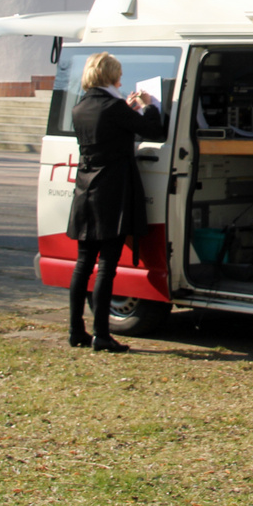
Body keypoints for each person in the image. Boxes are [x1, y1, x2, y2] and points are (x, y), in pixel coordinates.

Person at [67, 52, 166, 353]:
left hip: (86, 188)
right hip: (112, 190)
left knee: (83, 264)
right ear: (112, 76)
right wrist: (149, 107)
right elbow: (152, 130)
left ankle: (75, 330)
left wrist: (128, 109)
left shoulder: (81, 106)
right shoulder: (113, 107)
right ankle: (102, 334)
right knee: (107, 265)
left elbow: (106, 128)